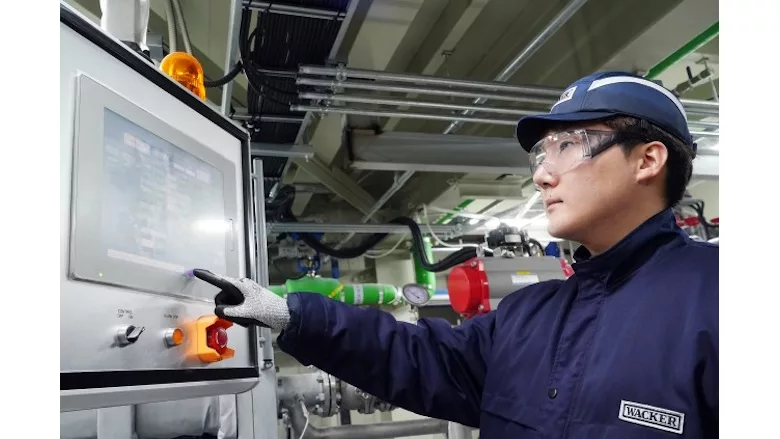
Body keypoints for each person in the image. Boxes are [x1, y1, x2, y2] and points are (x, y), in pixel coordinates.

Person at [194, 71, 718, 438]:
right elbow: (419, 357)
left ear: (647, 160)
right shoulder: (528, 315)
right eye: (542, 153)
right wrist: (291, 314)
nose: (541, 173)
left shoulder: (724, 300)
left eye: (569, 144)